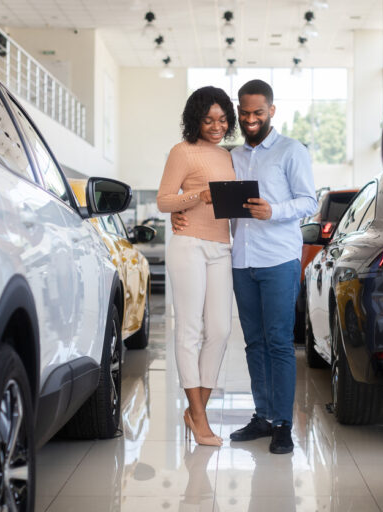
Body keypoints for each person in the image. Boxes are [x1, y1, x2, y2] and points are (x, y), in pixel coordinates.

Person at [173, 80, 317, 454]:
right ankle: (264, 416)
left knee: (280, 342)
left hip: (279, 259)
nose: (251, 119)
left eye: (258, 113)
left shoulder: (291, 151)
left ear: (272, 110)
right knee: (254, 343)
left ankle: (283, 423)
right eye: (246, 113)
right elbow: (204, 194)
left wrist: (275, 210)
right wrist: (180, 213)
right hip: (241, 260)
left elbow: (308, 201)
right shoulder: (232, 156)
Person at [157, 86, 237, 447]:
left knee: (219, 330)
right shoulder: (182, 151)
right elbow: (164, 201)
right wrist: (196, 197)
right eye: (208, 120)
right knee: (189, 329)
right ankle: (199, 416)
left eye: (222, 120)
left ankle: (195, 410)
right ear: (196, 120)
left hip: (222, 246)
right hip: (189, 245)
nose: (216, 126)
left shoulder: (228, 157)